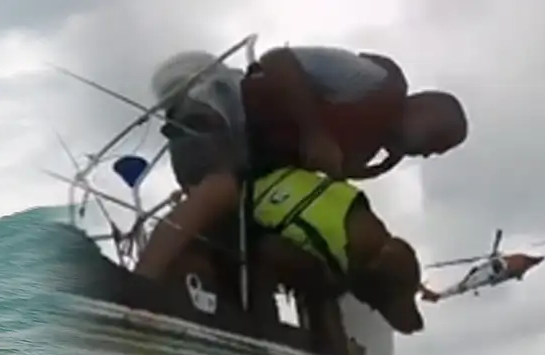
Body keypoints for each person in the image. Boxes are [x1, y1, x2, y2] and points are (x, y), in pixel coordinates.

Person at [134, 44, 467, 281]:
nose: (428, 154)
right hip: (220, 106)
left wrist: (380, 162)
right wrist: (314, 133)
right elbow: (278, 59)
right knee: (222, 189)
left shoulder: (369, 147)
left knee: (249, 238)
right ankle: (139, 282)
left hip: (252, 157)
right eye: (436, 141)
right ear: (425, 109)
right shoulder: (370, 79)